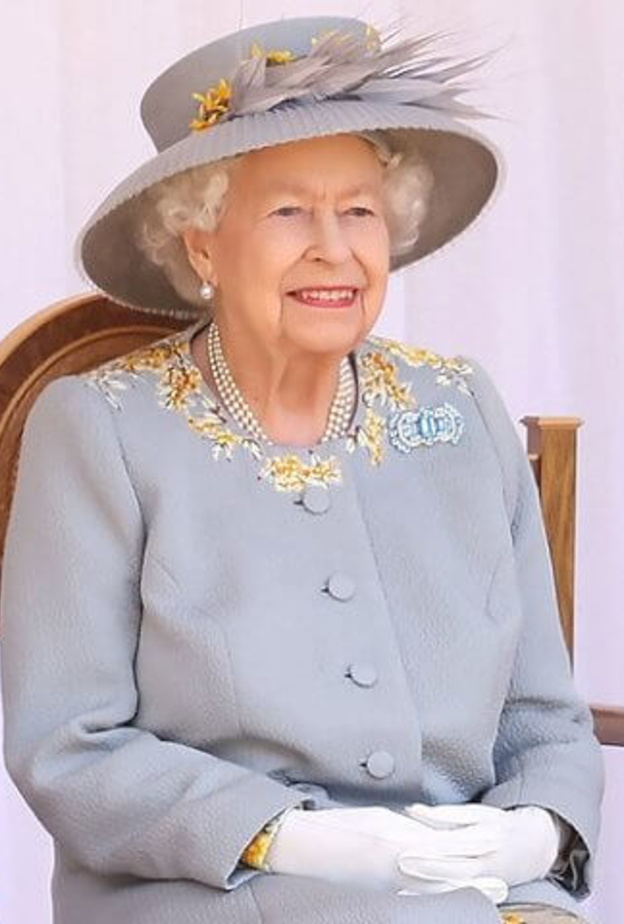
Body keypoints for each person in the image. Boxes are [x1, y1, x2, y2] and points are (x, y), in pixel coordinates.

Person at [0, 15, 604, 924]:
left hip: (478, 890)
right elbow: (66, 744)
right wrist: (295, 838)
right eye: (289, 211)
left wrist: (540, 835)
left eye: (358, 209)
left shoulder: (460, 405)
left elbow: (543, 715)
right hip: (213, 891)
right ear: (202, 243)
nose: (334, 247)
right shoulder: (100, 427)